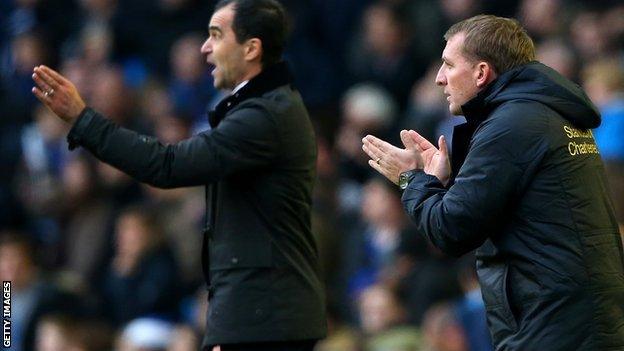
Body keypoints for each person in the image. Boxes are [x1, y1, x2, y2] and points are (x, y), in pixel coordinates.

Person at [31, 0, 326, 350]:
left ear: (251, 48)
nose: (205, 47)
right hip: (259, 317)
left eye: (216, 35)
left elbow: (167, 165)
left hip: (264, 321)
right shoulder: (266, 107)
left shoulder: (262, 118)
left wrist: (83, 119)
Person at [362, 14, 624, 350]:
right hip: (574, 320)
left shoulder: (510, 125)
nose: (440, 79)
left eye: (448, 65)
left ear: (481, 73)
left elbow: (451, 230)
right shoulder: (544, 114)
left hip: (552, 326)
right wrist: (441, 183)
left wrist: (410, 180)